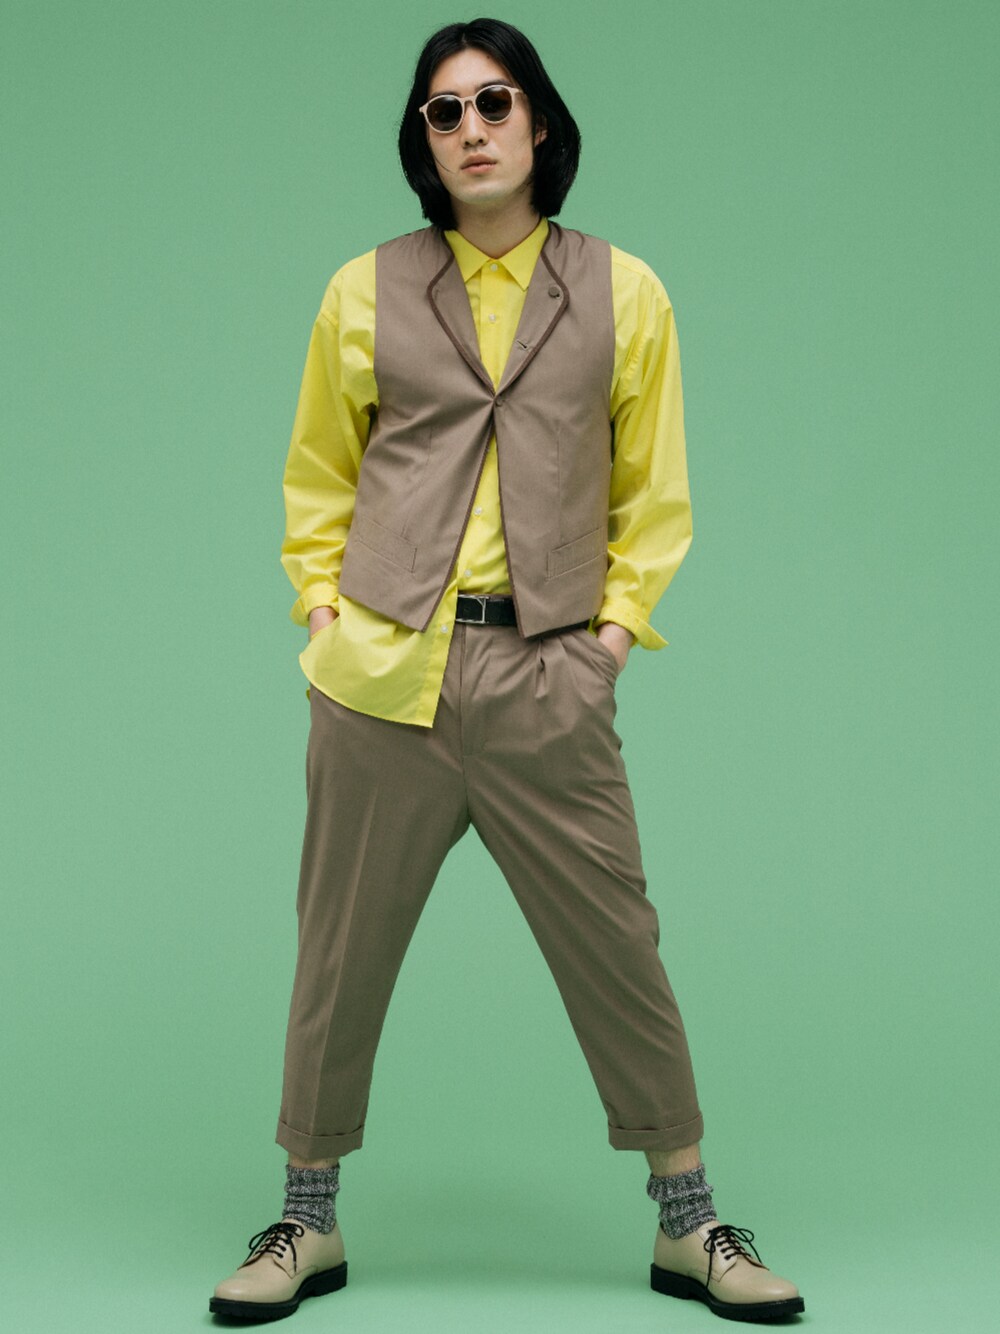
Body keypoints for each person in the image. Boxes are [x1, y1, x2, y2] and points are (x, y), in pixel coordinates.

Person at [210, 17, 803, 1325]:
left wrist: (607, 643)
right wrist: (324, 615)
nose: (471, 128)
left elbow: (655, 493)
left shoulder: (625, 290)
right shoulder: (363, 290)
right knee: (338, 955)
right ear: (422, 142)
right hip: (382, 675)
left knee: (619, 947)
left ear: (539, 121)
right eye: (445, 111)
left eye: (494, 102)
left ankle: (690, 1223)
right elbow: (319, 472)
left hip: (547, 674)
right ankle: (306, 1218)